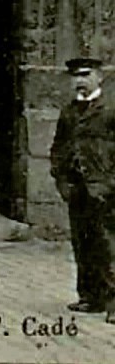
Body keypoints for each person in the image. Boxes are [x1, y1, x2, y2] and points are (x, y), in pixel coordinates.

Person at [50, 56, 115, 320]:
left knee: (108, 245)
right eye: (75, 77)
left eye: (85, 75)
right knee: (83, 243)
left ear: (99, 77)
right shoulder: (68, 112)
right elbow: (58, 148)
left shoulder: (110, 110)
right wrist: (61, 179)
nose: (80, 81)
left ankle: (114, 302)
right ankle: (90, 297)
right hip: (77, 190)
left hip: (105, 189)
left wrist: (110, 183)